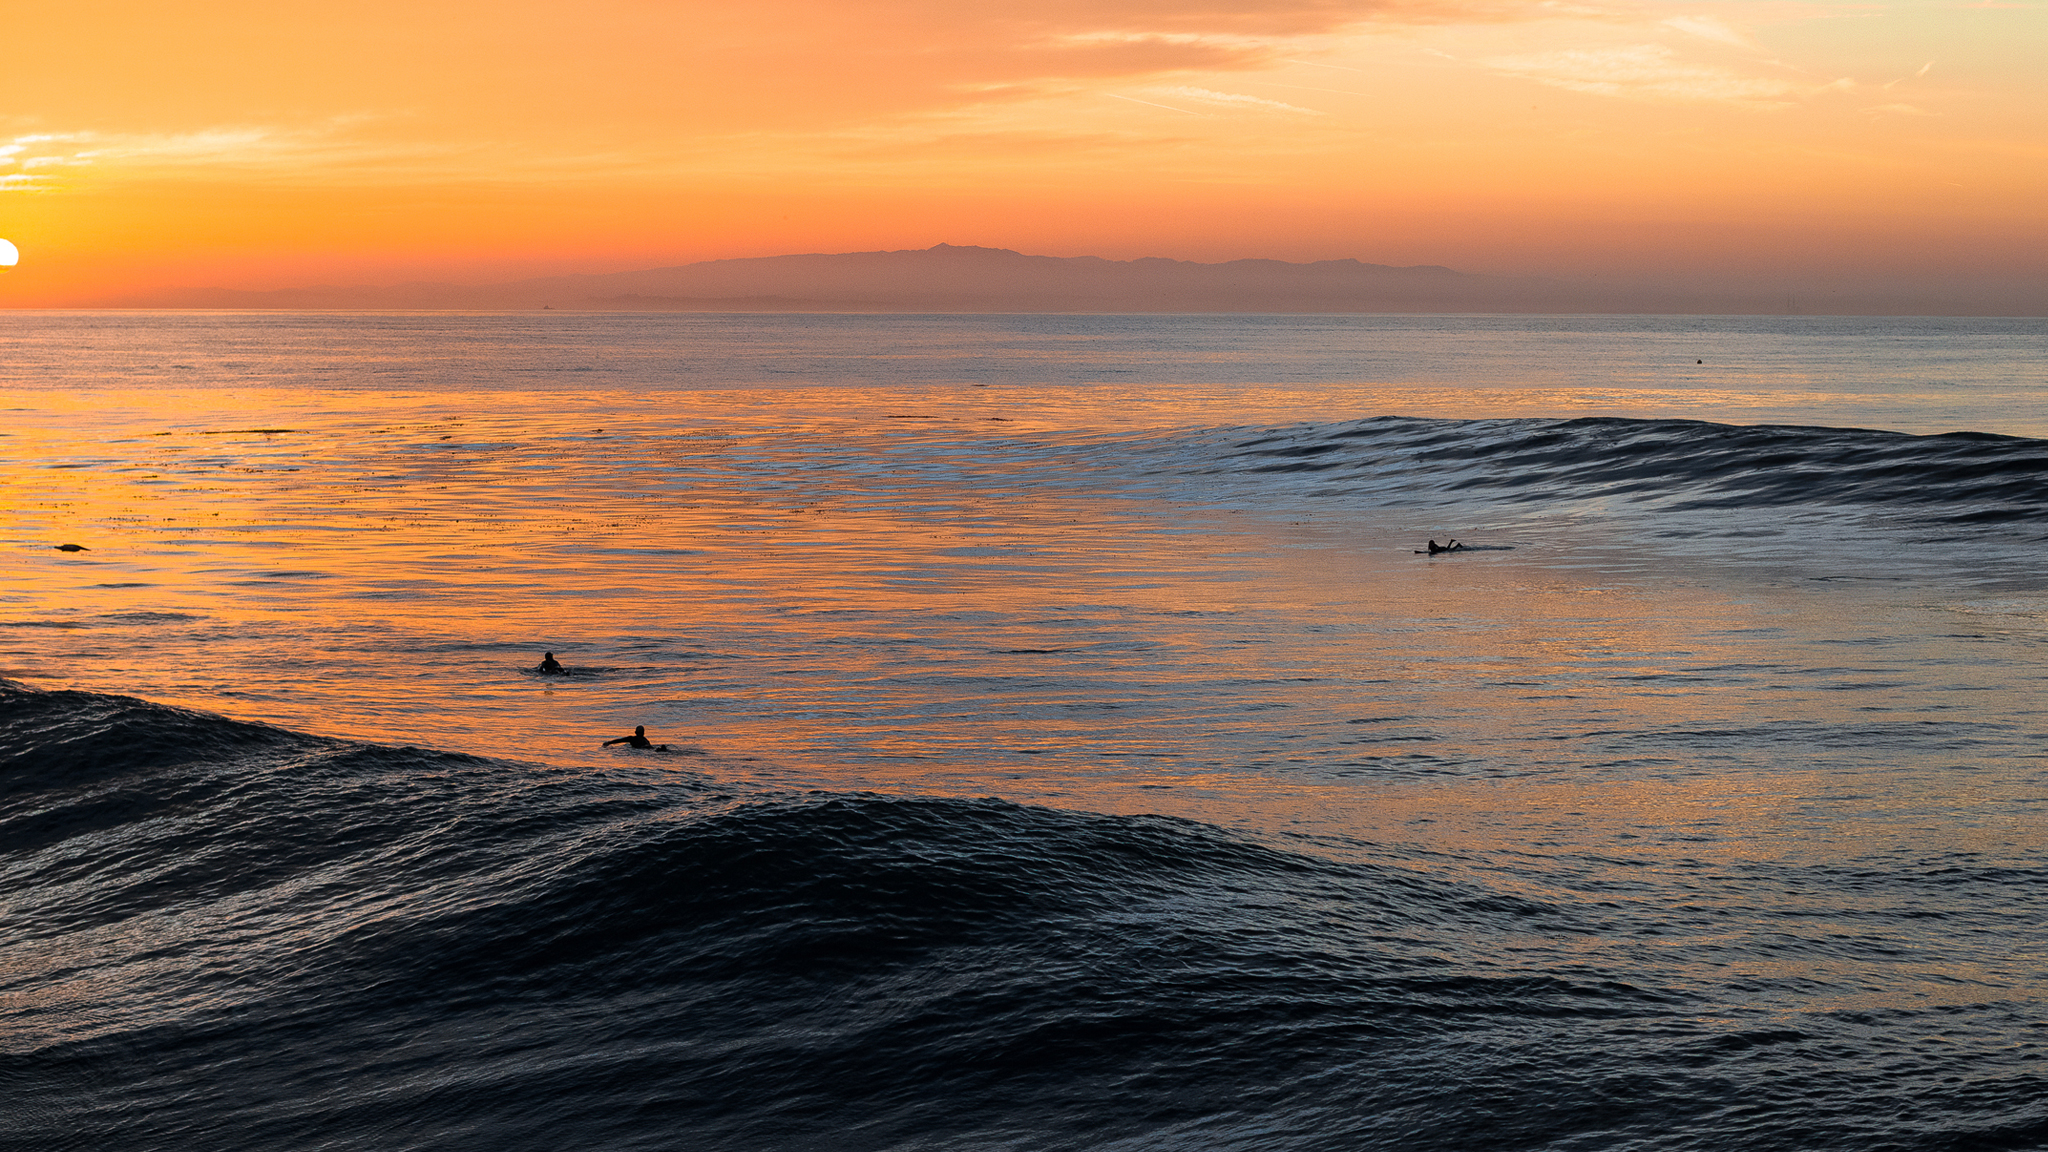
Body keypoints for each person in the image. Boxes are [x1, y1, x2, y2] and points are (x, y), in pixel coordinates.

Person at [603, 725, 669, 752]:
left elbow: (620, 740)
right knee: (653, 750)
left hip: (641, 749)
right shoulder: (646, 740)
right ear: (643, 733)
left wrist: (609, 742)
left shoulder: (632, 739)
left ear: (635, 732)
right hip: (648, 748)